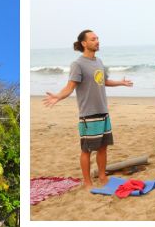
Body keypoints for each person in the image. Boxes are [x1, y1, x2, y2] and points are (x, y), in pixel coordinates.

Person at [44, 30, 134, 189]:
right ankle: (87, 181)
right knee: (87, 150)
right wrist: (58, 96)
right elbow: (70, 87)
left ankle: (102, 176)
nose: (97, 41)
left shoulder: (99, 61)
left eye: (97, 38)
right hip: (89, 115)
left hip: (103, 112)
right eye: (93, 39)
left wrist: (121, 83)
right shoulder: (77, 64)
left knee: (103, 147)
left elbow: (104, 81)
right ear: (84, 43)